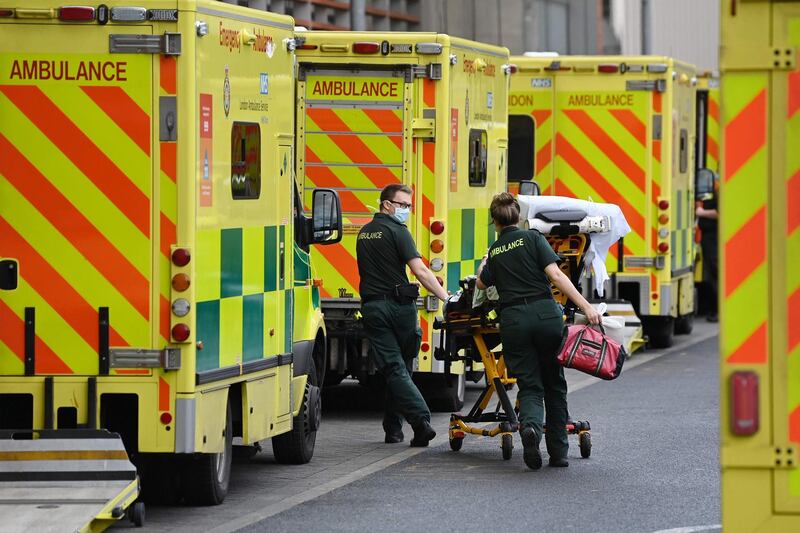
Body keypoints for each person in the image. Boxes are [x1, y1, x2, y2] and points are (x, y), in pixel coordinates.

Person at [476, 192, 601, 470]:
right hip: (545, 315)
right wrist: (586, 307)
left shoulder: (496, 251)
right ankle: (558, 453)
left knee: (530, 385)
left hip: (514, 321)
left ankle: (530, 428)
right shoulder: (533, 238)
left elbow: (482, 285)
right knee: (554, 384)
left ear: (494, 222)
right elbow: (556, 275)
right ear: (519, 217)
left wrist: (486, 260)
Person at [357, 184, 450, 446]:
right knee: (401, 369)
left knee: (394, 369)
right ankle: (421, 422)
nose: (407, 210)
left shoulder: (364, 233)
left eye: (409, 206)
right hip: (400, 310)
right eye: (403, 205)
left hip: (374, 308)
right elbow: (420, 271)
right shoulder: (398, 232)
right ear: (386, 205)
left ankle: (393, 429)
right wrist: (445, 298)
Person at [696, 187, 719, 322]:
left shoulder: (720, 193)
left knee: (714, 274)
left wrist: (701, 212)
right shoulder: (710, 193)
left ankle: (716, 311)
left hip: (713, 238)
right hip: (708, 238)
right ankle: (712, 310)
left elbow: (720, 213)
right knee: (711, 275)